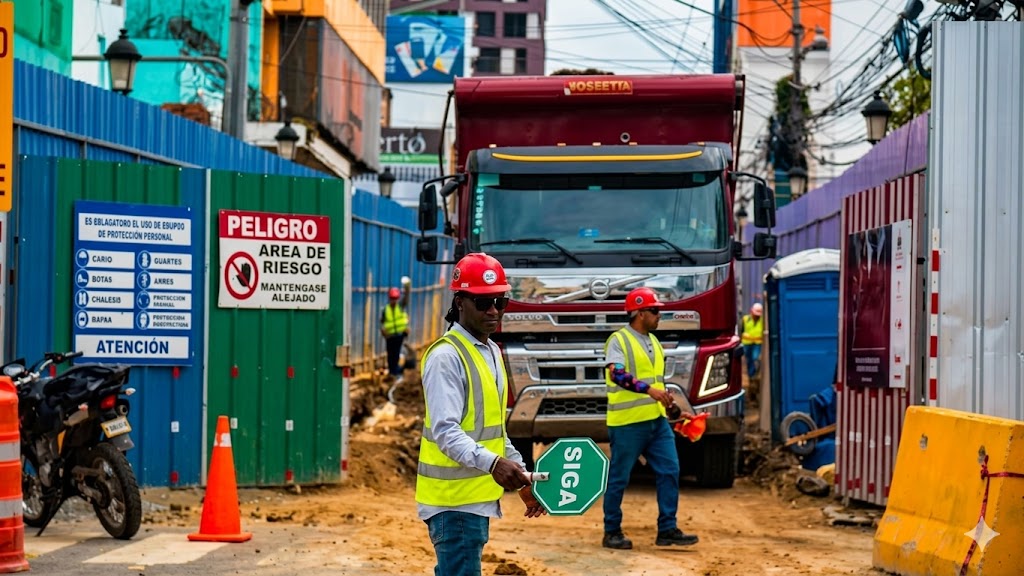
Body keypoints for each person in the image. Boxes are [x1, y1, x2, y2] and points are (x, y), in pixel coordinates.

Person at [417, 252, 546, 575]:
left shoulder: (490, 350)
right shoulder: (446, 357)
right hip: (453, 503)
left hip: (473, 500)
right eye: (482, 302)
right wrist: (494, 464)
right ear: (460, 302)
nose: (493, 311)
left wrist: (520, 477)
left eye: (499, 302)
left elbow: (493, 432)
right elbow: (446, 432)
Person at [601, 286, 699, 550]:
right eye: (655, 311)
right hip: (627, 424)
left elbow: (658, 384)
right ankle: (612, 531)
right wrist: (651, 391)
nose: (659, 316)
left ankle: (667, 529)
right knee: (619, 478)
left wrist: (676, 412)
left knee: (670, 470)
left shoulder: (654, 342)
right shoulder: (618, 341)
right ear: (639, 312)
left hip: (656, 422)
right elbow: (617, 375)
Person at [380, 280, 411, 378]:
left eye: (395, 298)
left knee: (396, 353)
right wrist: (383, 331)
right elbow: (382, 322)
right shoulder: (386, 309)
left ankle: (395, 372)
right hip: (390, 336)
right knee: (390, 354)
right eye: (392, 298)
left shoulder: (400, 307)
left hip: (399, 335)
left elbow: (406, 300)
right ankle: (392, 371)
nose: (394, 300)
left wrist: (407, 288)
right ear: (390, 298)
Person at [741, 302, 764, 381]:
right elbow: (741, 330)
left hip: (757, 343)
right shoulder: (745, 319)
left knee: (755, 358)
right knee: (749, 359)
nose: (756, 316)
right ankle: (751, 376)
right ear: (751, 311)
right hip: (747, 343)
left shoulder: (762, 320)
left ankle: (756, 374)